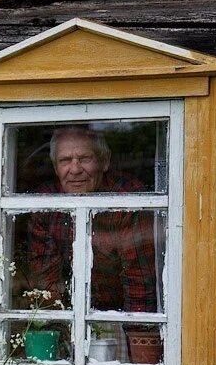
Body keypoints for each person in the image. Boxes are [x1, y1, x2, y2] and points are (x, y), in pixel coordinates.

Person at [26, 125, 159, 313]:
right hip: (70, 315)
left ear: (104, 162)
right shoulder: (45, 203)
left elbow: (140, 283)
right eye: (65, 160)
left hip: (121, 313)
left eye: (85, 159)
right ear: (56, 167)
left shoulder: (128, 198)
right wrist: (55, 328)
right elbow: (46, 282)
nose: (75, 169)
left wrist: (138, 334)